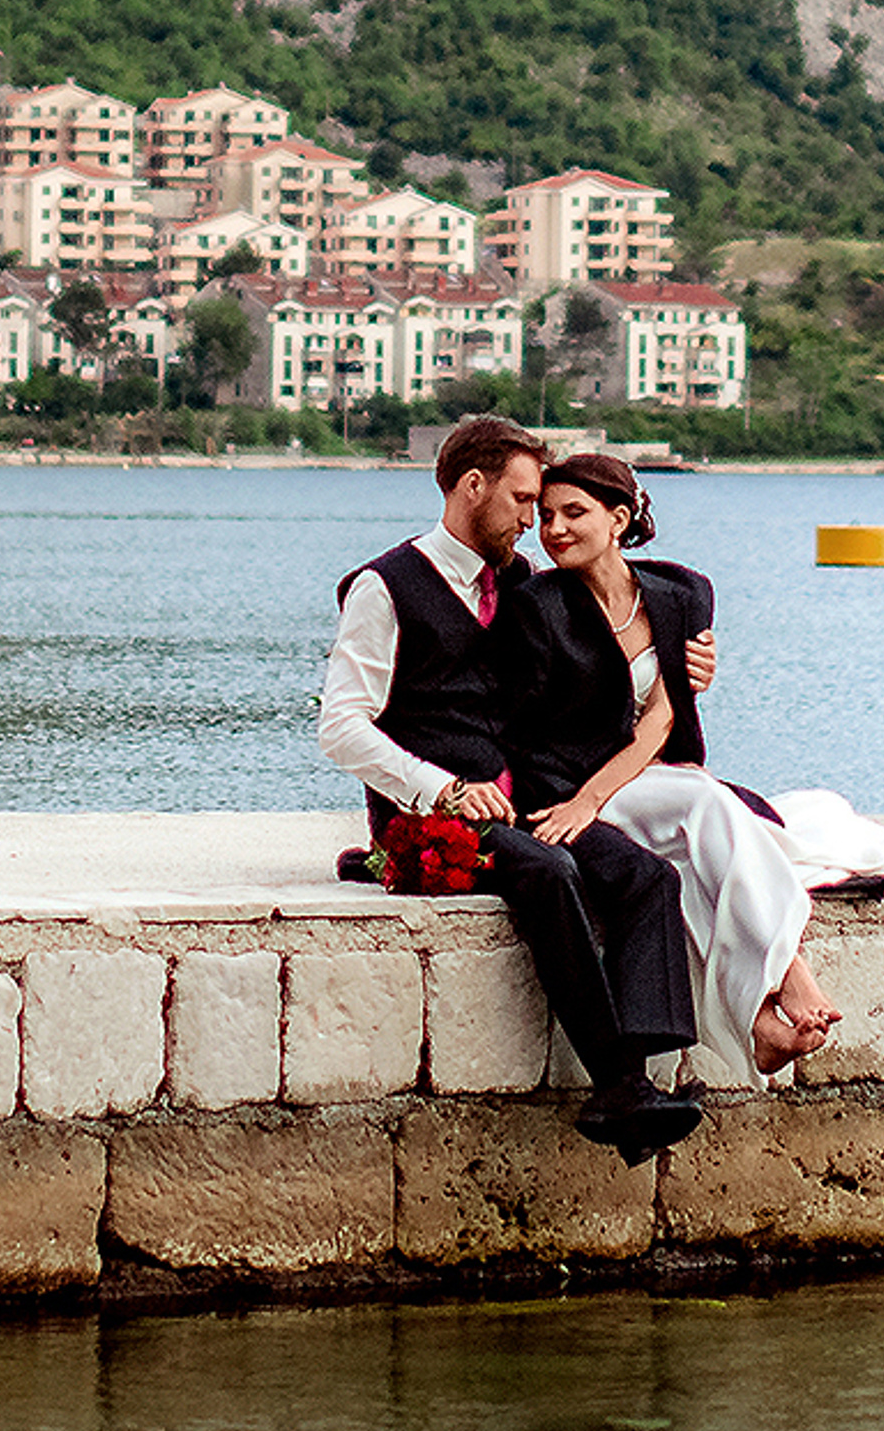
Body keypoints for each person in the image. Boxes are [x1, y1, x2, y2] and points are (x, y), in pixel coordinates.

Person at [318, 412, 708, 1164]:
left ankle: (643, 1069)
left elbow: (622, 631)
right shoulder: (384, 587)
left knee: (642, 876)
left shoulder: (521, 586)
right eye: (525, 501)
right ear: (474, 487)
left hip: (523, 798)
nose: (536, 522)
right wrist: (442, 791)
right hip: (428, 815)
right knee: (552, 871)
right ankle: (619, 1085)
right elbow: (342, 728)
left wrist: (683, 673)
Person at [506, 452, 847, 1084]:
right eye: (546, 515)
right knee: (705, 805)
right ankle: (789, 974)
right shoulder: (537, 604)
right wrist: (584, 802)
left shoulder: (681, 593)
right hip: (567, 785)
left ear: (620, 518)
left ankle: (759, 1029)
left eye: (574, 513)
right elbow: (525, 731)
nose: (554, 529)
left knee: (714, 836)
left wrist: (696, 680)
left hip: (649, 772)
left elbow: (662, 720)